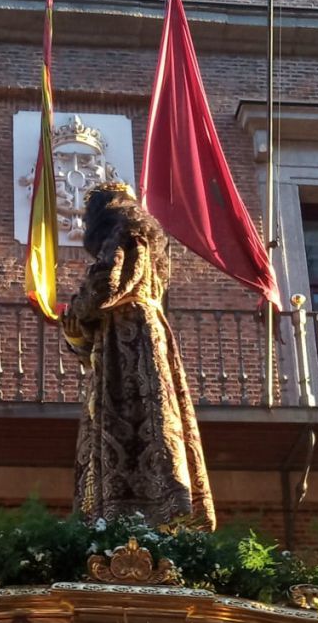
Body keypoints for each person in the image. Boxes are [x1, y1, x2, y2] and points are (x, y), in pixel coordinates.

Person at [61, 182, 215, 530]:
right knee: (136, 421)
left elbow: (106, 288)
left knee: (142, 418)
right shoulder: (138, 241)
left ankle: (152, 511)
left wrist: (74, 307)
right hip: (122, 338)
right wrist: (76, 331)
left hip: (131, 336)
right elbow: (92, 324)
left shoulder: (127, 234)